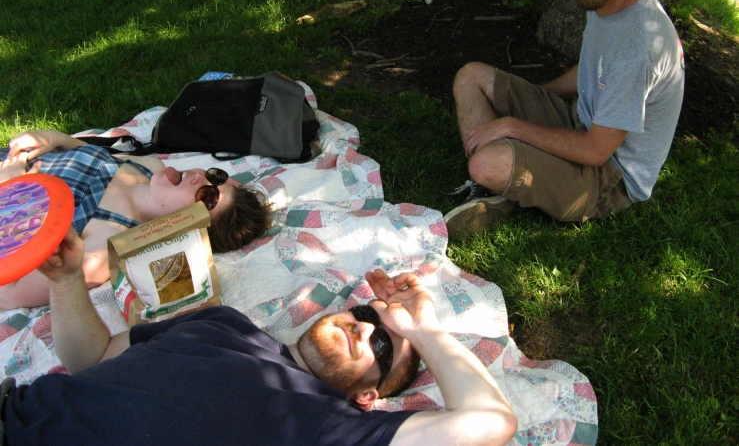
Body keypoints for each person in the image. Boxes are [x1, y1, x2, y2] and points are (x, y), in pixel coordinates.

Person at [0, 227, 518, 445]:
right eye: (367, 312)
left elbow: (491, 424)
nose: (365, 326)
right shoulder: (221, 321)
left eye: (383, 346)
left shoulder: (328, 427)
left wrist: (422, 329)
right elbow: (93, 358)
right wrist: (67, 281)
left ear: (369, 396)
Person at [443, 0, 685, 240]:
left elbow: (595, 150)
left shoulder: (638, 46)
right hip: (584, 123)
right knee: (471, 77)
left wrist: (512, 124)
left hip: (609, 178)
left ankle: (496, 183)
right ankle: (505, 185)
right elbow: (592, 70)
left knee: (485, 163)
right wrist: (536, 99)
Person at [0, 130, 271, 309]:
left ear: (187, 226)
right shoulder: (150, 167)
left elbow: (9, 292)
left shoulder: (102, 250)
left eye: (207, 197)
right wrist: (53, 138)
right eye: (215, 178)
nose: (199, 177)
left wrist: (11, 190)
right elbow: (87, 151)